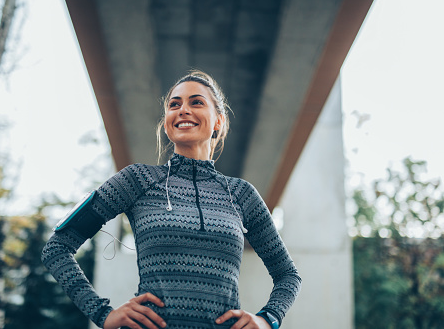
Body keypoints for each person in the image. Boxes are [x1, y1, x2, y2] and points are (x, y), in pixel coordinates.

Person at [42, 70, 301, 329]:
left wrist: (268, 320)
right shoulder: (137, 179)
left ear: (218, 121)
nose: (183, 110)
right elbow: (57, 248)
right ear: (166, 122)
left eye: (196, 102)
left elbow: (288, 275)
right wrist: (102, 313)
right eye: (174, 105)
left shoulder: (242, 194)